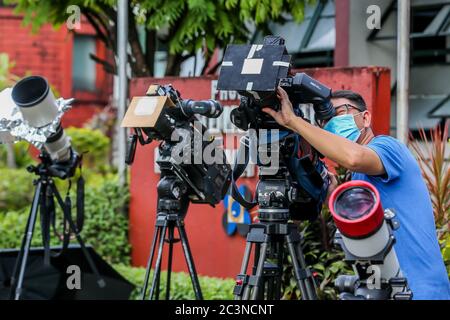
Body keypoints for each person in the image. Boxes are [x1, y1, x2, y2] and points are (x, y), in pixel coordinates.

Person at [263, 87, 450, 300]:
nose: (330, 123)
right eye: (325, 120)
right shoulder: (357, 178)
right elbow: (365, 234)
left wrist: (294, 121)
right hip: (386, 290)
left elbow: (354, 158)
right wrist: (331, 195)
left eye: (339, 113)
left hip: (421, 290)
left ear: (366, 118)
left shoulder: (389, 147)